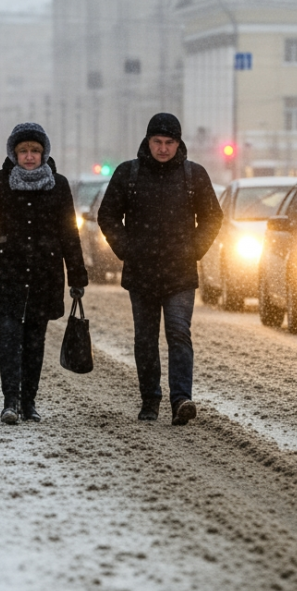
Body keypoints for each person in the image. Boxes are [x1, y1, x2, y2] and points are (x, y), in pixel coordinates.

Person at [0, 122, 88, 424]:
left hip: (45, 272)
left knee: (35, 340)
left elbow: (69, 233)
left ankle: (29, 402)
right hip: (6, 272)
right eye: (23, 150)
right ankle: (10, 401)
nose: (29, 156)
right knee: (9, 336)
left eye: (35, 150)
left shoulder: (59, 185)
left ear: (44, 153)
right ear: (14, 153)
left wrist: (78, 276)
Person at [97, 113, 223, 425]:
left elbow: (212, 218)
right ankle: (150, 400)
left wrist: (193, 249)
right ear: (148, 141)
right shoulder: (130, 173)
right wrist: (128, 249)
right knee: (145, 338)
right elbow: (108, 215)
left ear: (179, 143)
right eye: (158, 141)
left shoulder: (193, 175)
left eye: (169, 142)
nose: (163, 148)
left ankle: (181, 399)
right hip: (141, 273)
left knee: (179, 334)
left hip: (180, 273)